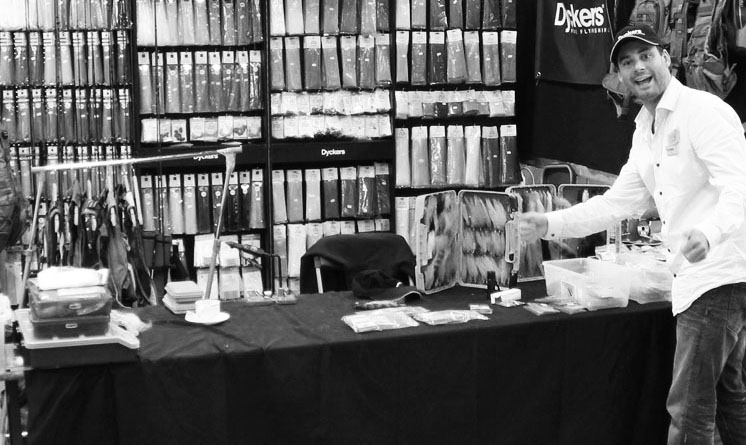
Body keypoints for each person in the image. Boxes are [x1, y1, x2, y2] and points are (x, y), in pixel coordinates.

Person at [519, 24, 746, 444]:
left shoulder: (703, 111)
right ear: (619, 76)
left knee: (690, 407)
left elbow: (739, 186)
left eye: (646, 55)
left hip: (717, 276)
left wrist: (710, 233)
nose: (638, 67)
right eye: (627, 62)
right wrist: (550, 223)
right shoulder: (645, 130)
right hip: (699, 278)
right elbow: (614, 204)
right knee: (729, 396)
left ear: (666, 58)